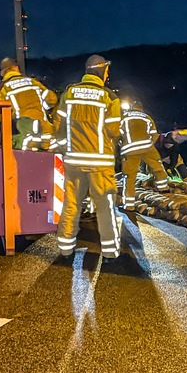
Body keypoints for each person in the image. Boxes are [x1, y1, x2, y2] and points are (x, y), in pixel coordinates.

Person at [54, 55, 122, 262]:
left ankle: (65, 248)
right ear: (102, 71)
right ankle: (110, 252)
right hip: (99, 163)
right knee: (105, 206)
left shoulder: (69, 92)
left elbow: (59, 123)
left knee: (71, 204)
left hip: (74, 160)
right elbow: (113, 130)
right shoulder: (109, 97)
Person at [0, 57, 57, 150]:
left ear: (2, 73)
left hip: (22, 136)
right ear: (16, 68)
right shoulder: (32, 82)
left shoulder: (1, 90)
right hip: (45, 132)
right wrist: (42, 109)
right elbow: (52, 99)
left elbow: (0, 118)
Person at [119, 101, 169, 209]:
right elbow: (154, 134)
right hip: (147, 147)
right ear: (141, 108)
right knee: (158, 167)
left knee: (129, 177)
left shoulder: (124, 117)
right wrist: (149, 143)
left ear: (132, 108)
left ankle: (129, 205)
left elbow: (118, 132)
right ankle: (164, 189)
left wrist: (123, 144)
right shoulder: (147, 117)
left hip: (130, 149)